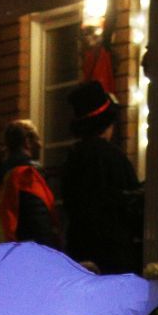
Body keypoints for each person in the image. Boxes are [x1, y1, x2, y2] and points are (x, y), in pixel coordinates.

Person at [59, 81, 142, 276]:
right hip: (114, 258)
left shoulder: (72, 159)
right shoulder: (113, 157)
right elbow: (130, 204)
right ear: (108, 123)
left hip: (80, 254)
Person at [0, 119, 59, 252]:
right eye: (37, 140)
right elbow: (39, 224)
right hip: (29, 259)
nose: (40, 145)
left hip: (2, 259)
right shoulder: (26, 176)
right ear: (27, 142)